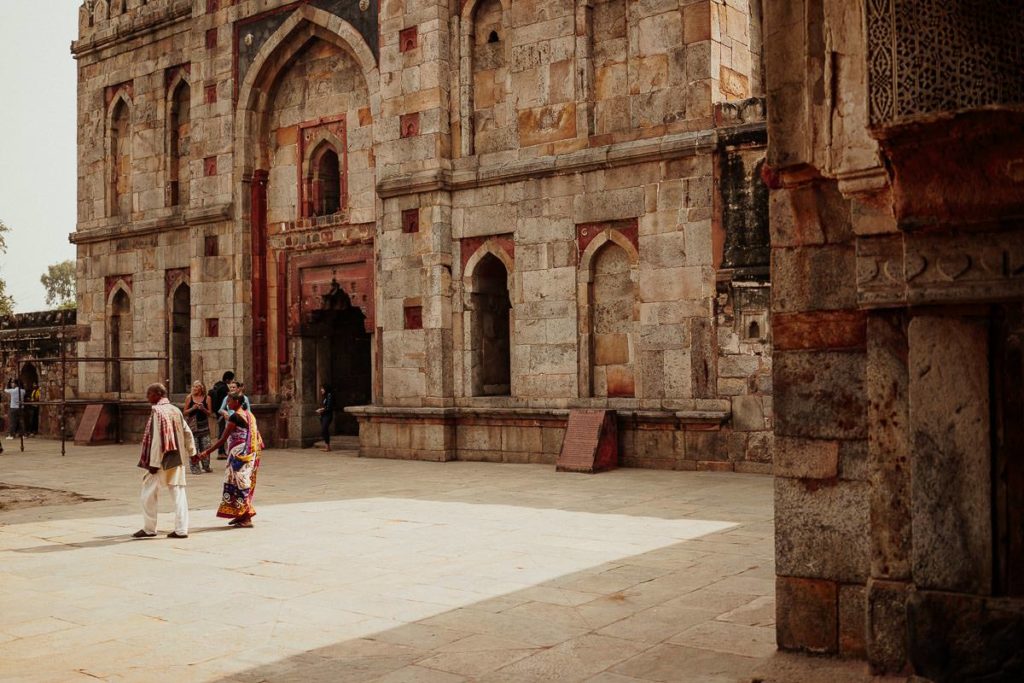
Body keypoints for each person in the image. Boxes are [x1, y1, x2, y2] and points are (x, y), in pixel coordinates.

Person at [134, 383, 195, 539]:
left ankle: (149, 528)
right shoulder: (175, 409)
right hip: (178, 457)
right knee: (178, 493)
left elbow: (157, 441)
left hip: (162, 459)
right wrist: (192, 451)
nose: (147, 397)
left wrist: (153, 464)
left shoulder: (157, 412)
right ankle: (181, 529)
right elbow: (187, 432)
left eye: (149, 394)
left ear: (158, 394)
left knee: (148, 492)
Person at [201, 391, 263, 528]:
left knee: (240, 484)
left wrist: (207, 452)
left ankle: (246, 516)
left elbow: (222, 438)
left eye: (229, 401)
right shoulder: (249, 414)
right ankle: (240, 514)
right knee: (238, 482)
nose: (227, 404)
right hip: (248, 452)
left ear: (236, 402)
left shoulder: (235, 417)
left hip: (239, 454)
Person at [183, 380, 214, 474]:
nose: (194, 388)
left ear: (201, 388)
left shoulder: (207, 398)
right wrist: (193, 408)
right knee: (194, 447)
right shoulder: (189, 397)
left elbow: (210, 413)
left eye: (196, 387)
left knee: (206, 446)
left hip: (204, 426)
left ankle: (206, 466)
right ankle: (195, 467)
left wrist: (203, 408)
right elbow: (184, 412)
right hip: (193, 427)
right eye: (193, 386)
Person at [208, 371, 233, 459]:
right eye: (231, 380)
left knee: (222, 431)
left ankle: (222, 451)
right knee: (223, 432)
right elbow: (224, 403)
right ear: (228, 379)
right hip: (222, 413)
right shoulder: (224, 389)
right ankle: (221, 451)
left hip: (218, 412)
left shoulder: (217, 385)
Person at [316, 383, 334, 452]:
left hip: (328, 416)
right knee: (324, 430)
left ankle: (327, 447)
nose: (321, 390)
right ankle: (327, 446)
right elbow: (326, 406)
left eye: (322, 388)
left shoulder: (329, 396)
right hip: (324, 415)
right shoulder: (326, 396)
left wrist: (321, 410)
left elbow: (329, 408)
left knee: (324, 429)